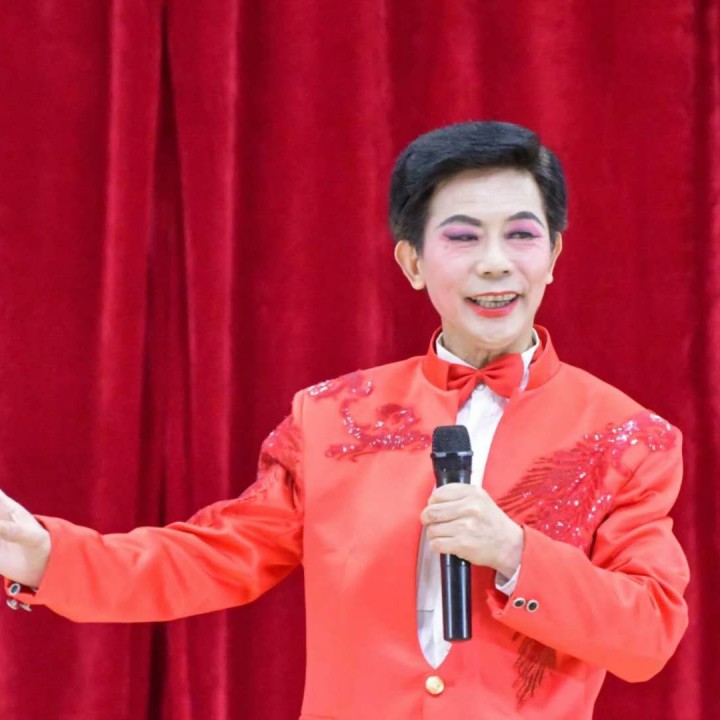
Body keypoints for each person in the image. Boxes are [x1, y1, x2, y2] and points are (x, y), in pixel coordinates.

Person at [0, 121, 689, 720]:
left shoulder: (628, 436)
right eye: (462, 236)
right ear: (412, 262)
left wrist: (515, 554)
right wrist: (47, 557)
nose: (494, 263)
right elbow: (212, 557)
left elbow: (649, 632)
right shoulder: (335, 415)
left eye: (520, 235)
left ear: (554, 255)